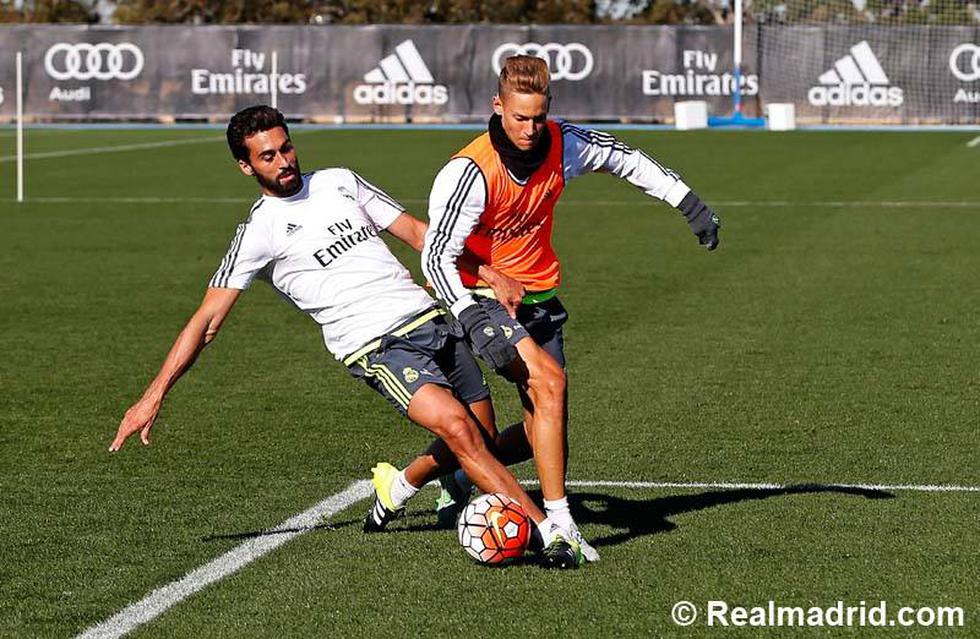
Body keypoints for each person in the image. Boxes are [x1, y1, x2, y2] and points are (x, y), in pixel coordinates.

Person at [107, 105, 582, 569]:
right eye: (268, 156)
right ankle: (548, 529)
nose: (284, 161)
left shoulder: (339, 181)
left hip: (431, 319)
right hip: (376, 346)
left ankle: (398, 486)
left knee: (484, 442)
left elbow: (420, 234)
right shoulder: (259, 232)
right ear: (245, 165)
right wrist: (153, 396)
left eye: (286, 148)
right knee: (458, 430)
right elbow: (207, 320)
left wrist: (490, 273)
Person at [396, 55, 723, 564]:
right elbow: (436, 255)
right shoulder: (469, 173)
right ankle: (559, 525)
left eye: (537, 118)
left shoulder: (565, 142)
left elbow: (627, 159)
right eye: (519, 117)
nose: (529, 129)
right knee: (550, 384)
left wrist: (689, 203)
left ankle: (440, 476)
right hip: (480, 298)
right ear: (497, 106)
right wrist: (470, 314)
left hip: (539, 297)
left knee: (535, 432)